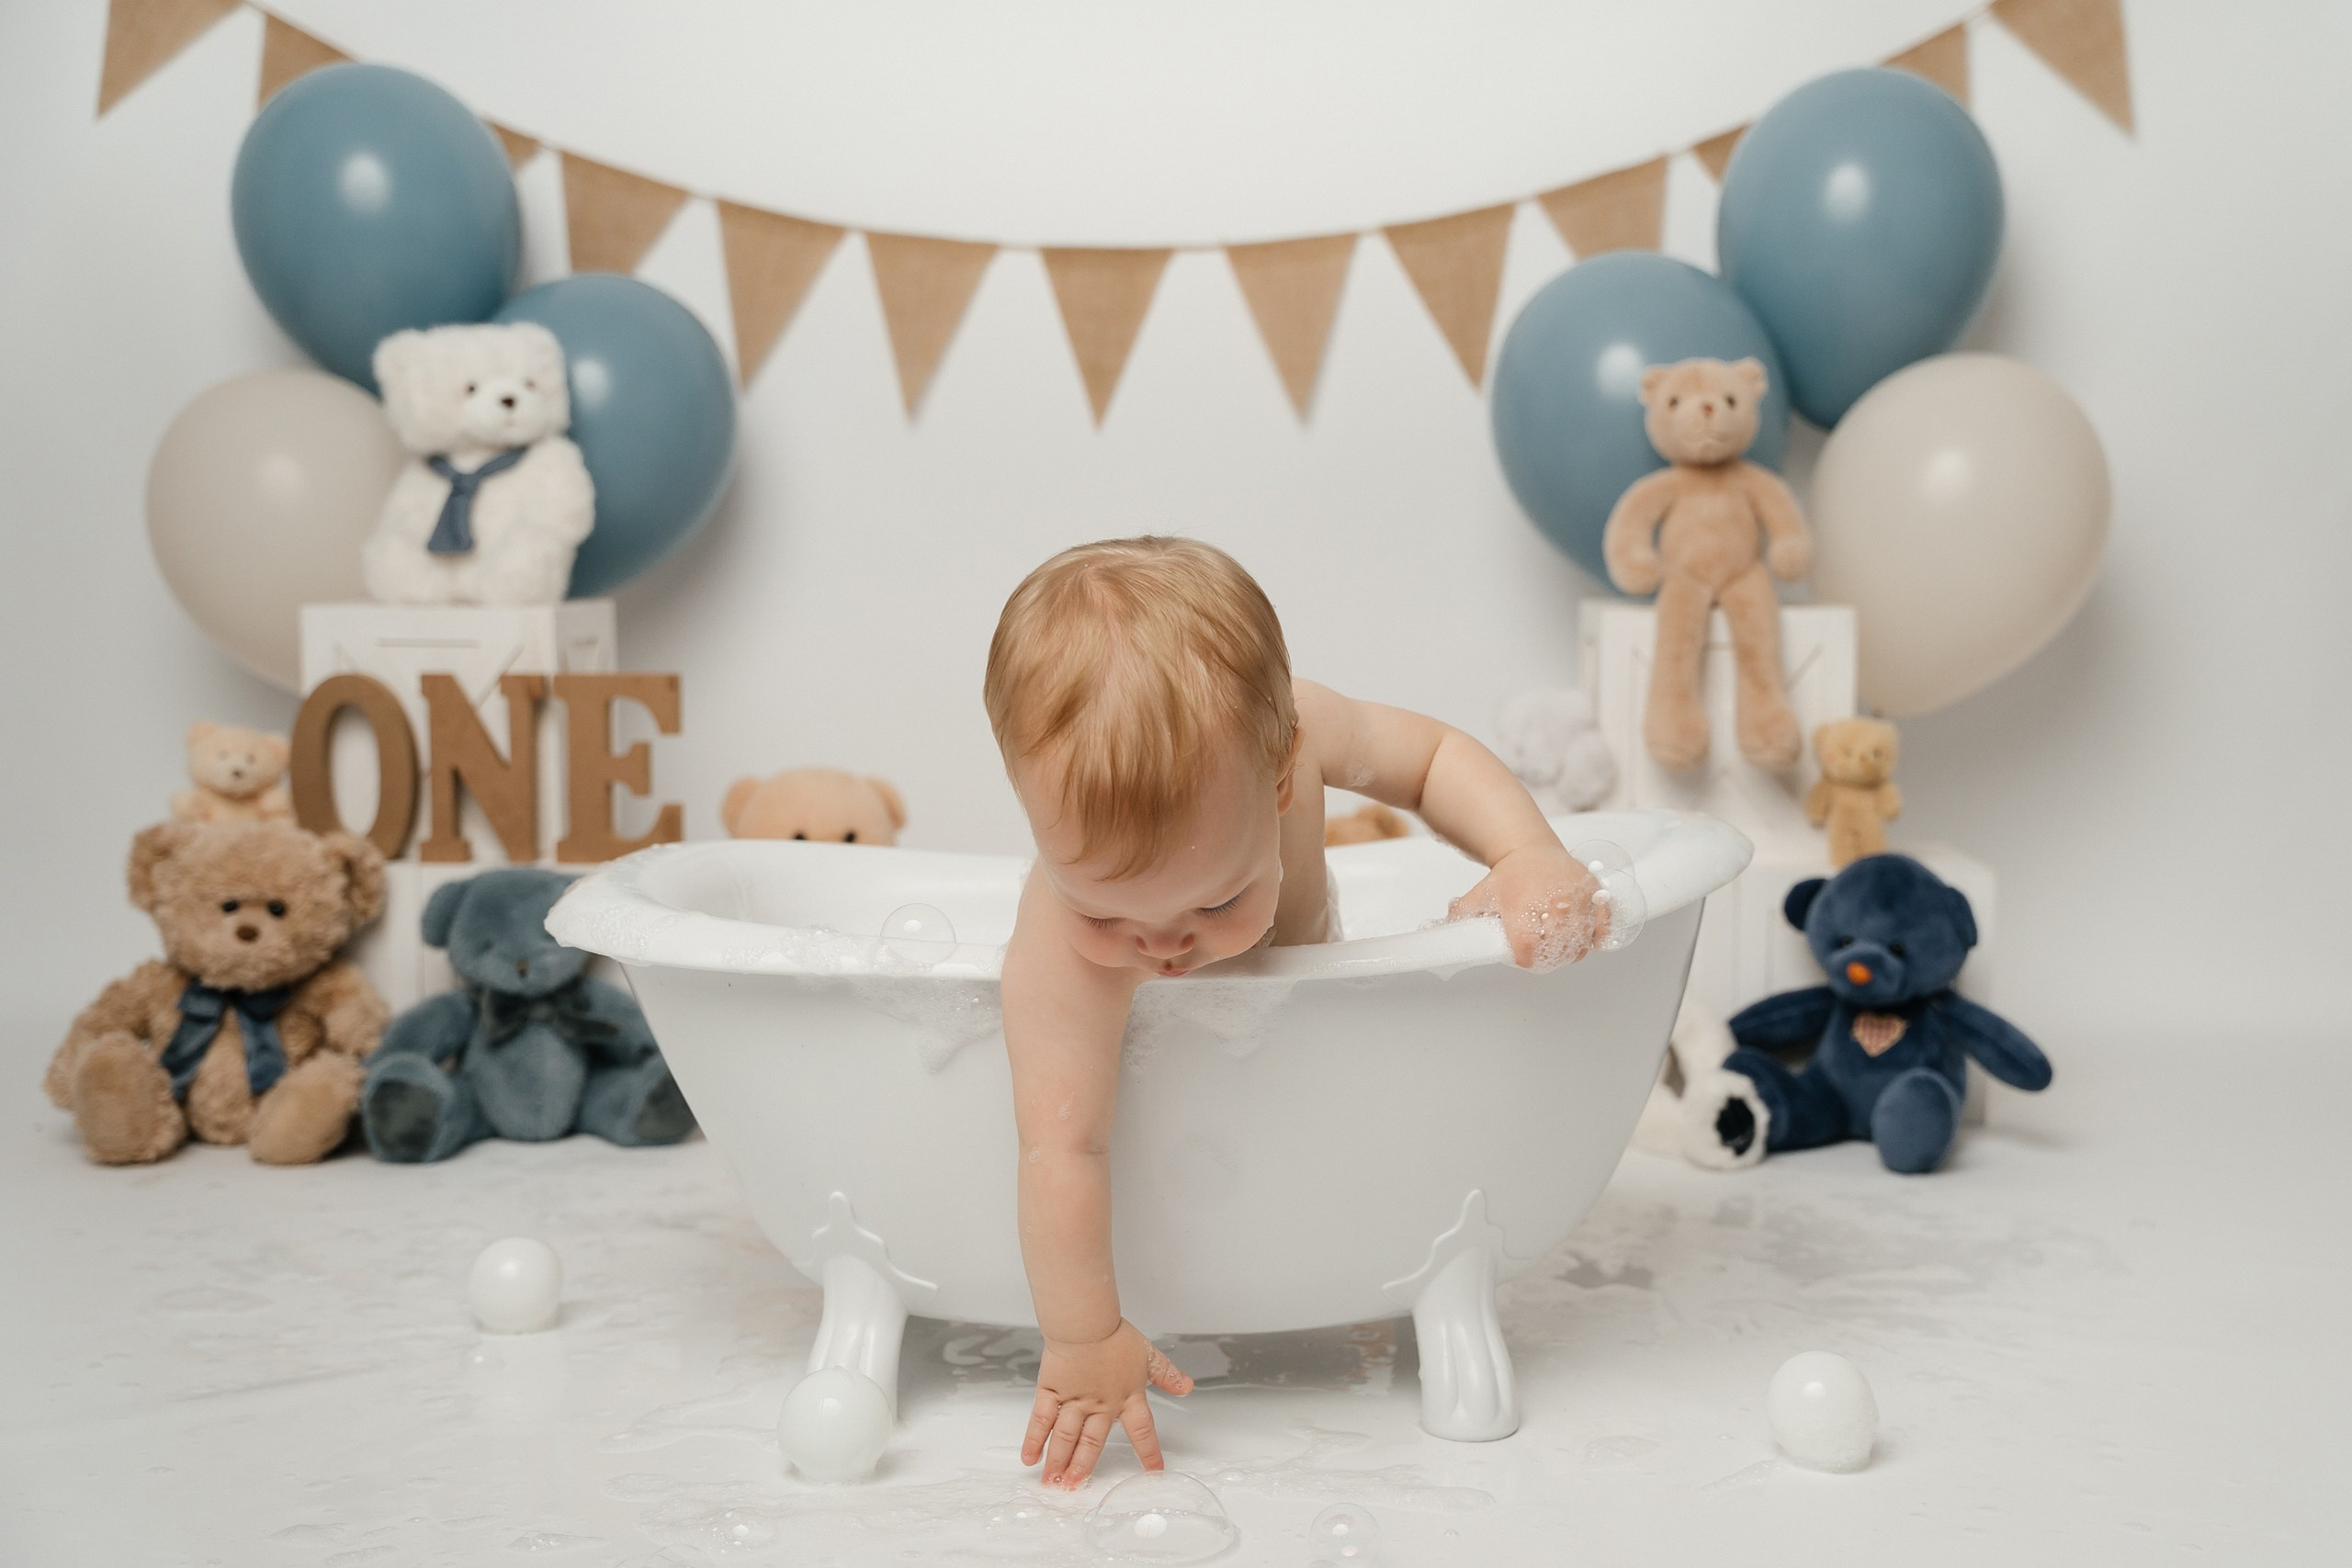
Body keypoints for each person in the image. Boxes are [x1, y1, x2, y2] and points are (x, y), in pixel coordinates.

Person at [983, 536, 1604, 1488]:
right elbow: (1060, 1150)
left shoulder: (1297, 732)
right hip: (1207, 1159)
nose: (1161, 946)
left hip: (1314, 1060)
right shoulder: (1061, 956)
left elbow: (1433, 757)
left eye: (1214, 902)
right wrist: (1083, 1335)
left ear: (1279, 777)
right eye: (1106, 911)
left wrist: (1523, 852)